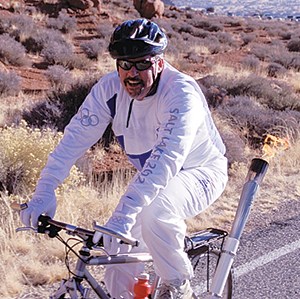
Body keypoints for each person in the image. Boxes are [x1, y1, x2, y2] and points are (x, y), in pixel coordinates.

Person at [20, 18, 228, 299]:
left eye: (142, 63)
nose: (132, 73)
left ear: (159, 62)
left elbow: (166, 160)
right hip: (153, 180)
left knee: (157, 213)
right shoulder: (109, 90)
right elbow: (72, 140)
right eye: (124, 64)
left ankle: (178, 284)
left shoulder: (181, 94)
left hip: (200, 172)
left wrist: (123, 215)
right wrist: (45, 189)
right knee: (117, 263)